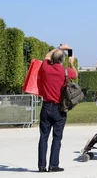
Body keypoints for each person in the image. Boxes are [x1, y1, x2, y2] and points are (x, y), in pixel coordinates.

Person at [37, 44, 77, 173]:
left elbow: (46, 56)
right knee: (57, 137)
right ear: (63, 60)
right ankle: (53, 165)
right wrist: (71, 62)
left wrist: (59, 48)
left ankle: (42, 166)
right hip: (59, 108)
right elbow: (75, 75)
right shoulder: (66, 71)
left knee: (43, 137)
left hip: (46, 106)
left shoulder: (45, 68)